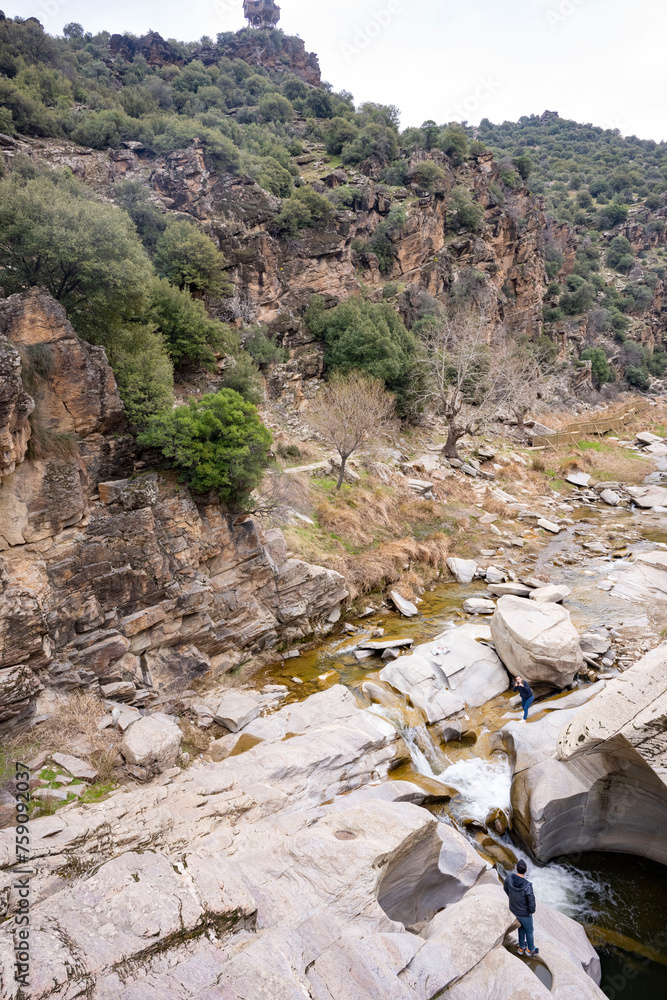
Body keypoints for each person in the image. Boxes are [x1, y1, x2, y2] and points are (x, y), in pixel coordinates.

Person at [504, 859, 539, 956]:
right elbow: (531, 902)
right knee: (529, 930)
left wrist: (512, 898)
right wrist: (531, 911)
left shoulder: (509, 879)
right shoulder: (527, 886)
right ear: (526, 870)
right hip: (524, 913)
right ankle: (531, 950)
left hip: (513, 909)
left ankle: (521, 947)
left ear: (516, 868)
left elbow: (505, 888)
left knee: (522, 927)